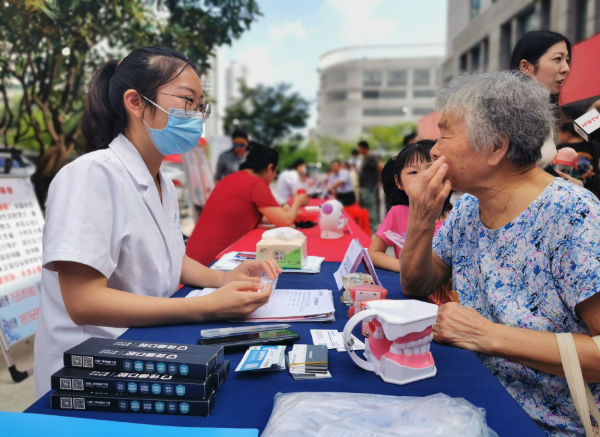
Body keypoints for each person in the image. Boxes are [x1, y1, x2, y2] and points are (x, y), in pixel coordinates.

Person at [34, 47, 281, 398]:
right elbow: (84, 301)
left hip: (146, 347)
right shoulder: (90, 175)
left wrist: (225, 278)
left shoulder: (161, 181)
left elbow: (168, 258)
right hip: (90, 369)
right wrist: (199, 308)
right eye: (186, 101)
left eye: (200, 106)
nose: (196, 115)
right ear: (135, 103)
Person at [400, 71, 600, 435]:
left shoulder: (573, 214)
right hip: (473, 400)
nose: (433, 149)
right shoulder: (466, 208)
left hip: (549, 424)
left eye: (445, 134)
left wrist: (486, 336)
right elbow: (418, 284)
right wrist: (421, 218)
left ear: (496, 147)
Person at [186, 143, 309, 266]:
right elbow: (285, 222)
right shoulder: (257, 184)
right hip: (211, 262)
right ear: (270, 168)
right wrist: (297, 201)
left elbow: (247, 215)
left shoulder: (229, 179)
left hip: (189, 259)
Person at [369, 141, 454, 305]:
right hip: (413, 297)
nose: (425, 177)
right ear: (399, 182)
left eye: (432, 168)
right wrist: (408, 268)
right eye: (413, 172)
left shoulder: (456, 216)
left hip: (448, 301)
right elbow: (373, 253)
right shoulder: (398, 213)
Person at [510, 30, 571, 170]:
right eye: (558, 59)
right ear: (525, 67)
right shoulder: (510, 112)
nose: (566, 69)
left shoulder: (542, 110)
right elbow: (515, 173)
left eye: (567, 60)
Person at [557, 122, 597, 191]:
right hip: (589, 187)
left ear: (567, 134)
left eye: (559, 133)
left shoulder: (561, 148)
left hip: (567, 187)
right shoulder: (590, 146)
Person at [357, 140, 383, 233]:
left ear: (364, 148)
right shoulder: (365, 158)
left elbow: (380, 166)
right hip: (365, 186)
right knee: (366, 206)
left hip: (369, 186)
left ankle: (374, 227)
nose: (358, 150)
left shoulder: (371, 157)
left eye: (359, 148)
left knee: (370, 206)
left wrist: (380, 179)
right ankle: (369, 226)